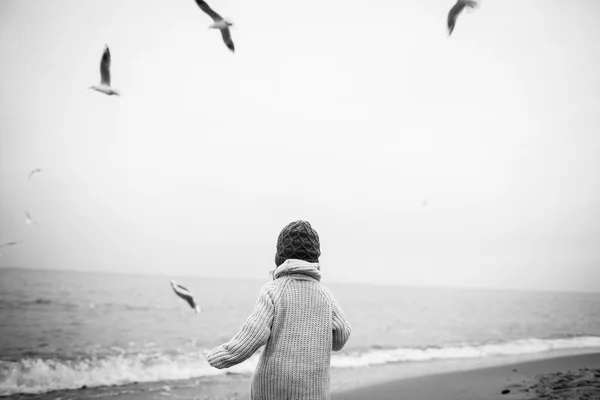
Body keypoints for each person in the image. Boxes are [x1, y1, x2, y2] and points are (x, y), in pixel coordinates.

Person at [206, 220, 352, 400]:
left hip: (273, 391)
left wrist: (222, 355)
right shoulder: (326, 295)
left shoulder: (273, 290)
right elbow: (341, 336)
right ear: (314, 259)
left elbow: (253, 335)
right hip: (314, 392)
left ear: (280, 257)